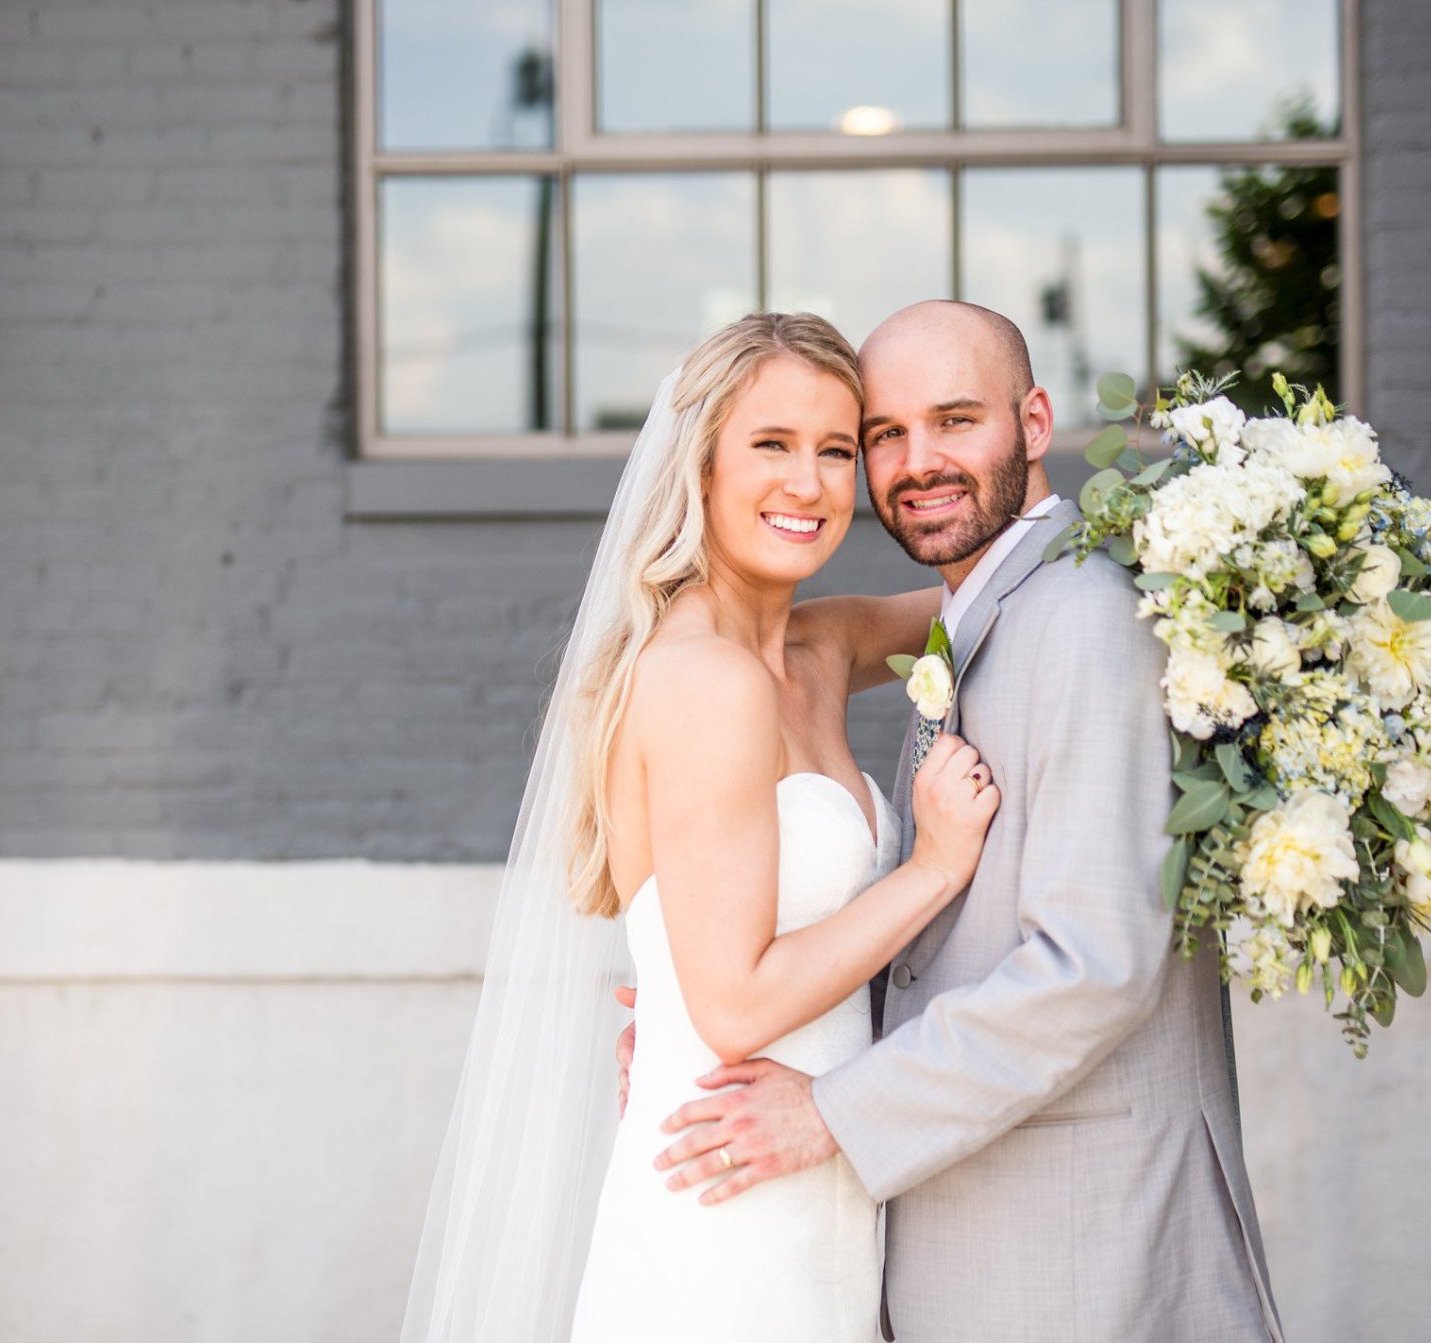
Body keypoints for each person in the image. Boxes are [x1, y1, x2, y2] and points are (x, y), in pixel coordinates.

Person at [646, 300, 1285, 1342]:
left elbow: (1092, 964)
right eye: (884, 434)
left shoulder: (1080, 620)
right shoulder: (984, 606)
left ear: (1033, 423)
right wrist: (674, 998)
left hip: (1077, 1248)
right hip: (977, 1236)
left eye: (954, 420)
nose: (916, 460)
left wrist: (829, 1110)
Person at [400, 311, 996, 1343]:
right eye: (769, 444)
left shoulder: (813, 645)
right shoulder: (703, 680)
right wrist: (933, 869)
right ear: (700, 465)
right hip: (725, 1200)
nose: (806, 485)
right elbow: (732, 1003)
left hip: (816, 1188)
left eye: (834, 450)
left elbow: (990, 592)